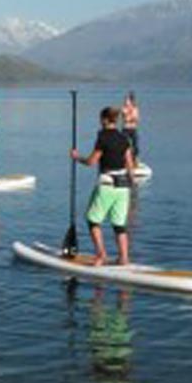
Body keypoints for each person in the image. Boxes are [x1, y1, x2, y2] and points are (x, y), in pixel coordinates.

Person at [70, 107, 135, 266]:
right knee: (119, 225)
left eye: (101, 119)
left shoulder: (103, 137)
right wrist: (130, 185)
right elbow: (130, 166)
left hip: (107, 185)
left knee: (92, 220)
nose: (100, 121)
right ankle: (124, 258)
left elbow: (92, 162)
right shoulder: (124, 138)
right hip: (124, 187)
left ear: (105, 119)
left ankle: (101, 254)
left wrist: (77, 157)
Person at [122, 91, 140, 161]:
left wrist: (131, 117)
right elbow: (126, 119)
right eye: (125, 100)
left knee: (135, 145)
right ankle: (125, 159)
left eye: (127, 100)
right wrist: (131, 117)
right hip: (125, 129)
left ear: (131, 101)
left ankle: (135, 159)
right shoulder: (124, 109)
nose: (125, 102)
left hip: (133, 129)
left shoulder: (135, 109)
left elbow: (136, 119)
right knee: (125, 145)